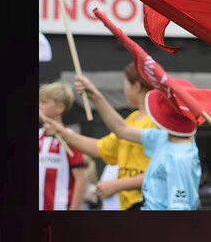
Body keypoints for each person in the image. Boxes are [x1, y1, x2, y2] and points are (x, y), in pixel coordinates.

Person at [51, 74, 202, 210]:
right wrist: (95, 96)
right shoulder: (161, 138)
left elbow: (180, 209)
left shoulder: (180, 159)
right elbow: (122, 130)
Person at [40, 63, 157, 211]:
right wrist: (61, 132)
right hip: (129, 205)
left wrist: (117, 185)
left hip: (150, 203)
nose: (124, 90)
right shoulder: (133, 119)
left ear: (137, 86)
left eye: (125, 84)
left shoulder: (158, 122)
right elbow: (100, 148)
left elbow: (160, 171)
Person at [39, 81, 86, 210]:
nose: (39, 106)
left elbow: (80, 178)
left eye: (44, 102)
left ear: (60, 108)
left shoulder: (70, 138)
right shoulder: (38, 135)